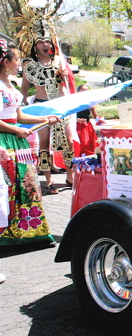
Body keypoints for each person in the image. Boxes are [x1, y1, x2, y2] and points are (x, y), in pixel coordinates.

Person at [0, 40, 60, 246]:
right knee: (8, 188)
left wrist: (45, 119)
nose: (20, 64)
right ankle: (6, 235)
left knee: (27, 185)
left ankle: (29, 232)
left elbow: (19, 115)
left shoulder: (11, 86)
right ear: (6, 61)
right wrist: (16, 130)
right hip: (4, 142)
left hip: (18, 143)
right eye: (17, 60)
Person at [16, 6, 77, 194]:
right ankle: (49, 181)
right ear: (35, 44)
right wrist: (20, 105)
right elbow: (25, 89)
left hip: (61, 106)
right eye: (42, 42)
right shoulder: (30, 65)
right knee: (44, 144)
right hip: (42, 107)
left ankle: (70, 177)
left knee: (68, 142)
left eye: (48, 42)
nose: (46, 45)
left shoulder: (59, 62)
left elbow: (66, 85)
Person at [76, 84, 99, 157]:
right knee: (81, 144)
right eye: (83, 90)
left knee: (90, 144)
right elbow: (70, 116)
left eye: (86, 90)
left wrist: (100, 120)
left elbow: (96, 116)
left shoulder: (91, 103)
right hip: (77, 125)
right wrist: (78, 120)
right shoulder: (74, 102)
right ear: (78, 91)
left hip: (87, 126)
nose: (84, 92)